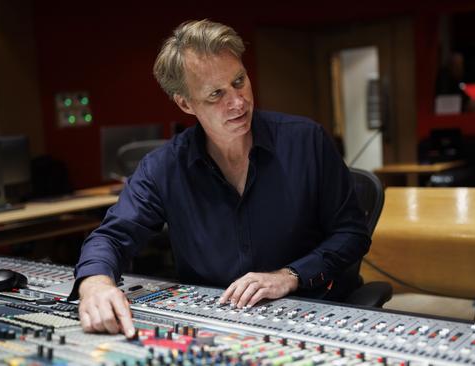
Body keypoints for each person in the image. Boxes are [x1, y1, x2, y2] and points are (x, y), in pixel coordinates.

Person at [73, 19, 370, 338]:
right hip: (214, 322)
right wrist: (95, 284)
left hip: (311, 308)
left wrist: (290, 275)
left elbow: (351, 232)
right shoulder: (164, 167)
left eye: (239, 81)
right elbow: (112, 236)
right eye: (216, 94)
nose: (238, 102)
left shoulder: (307, 140)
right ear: (186, 103)